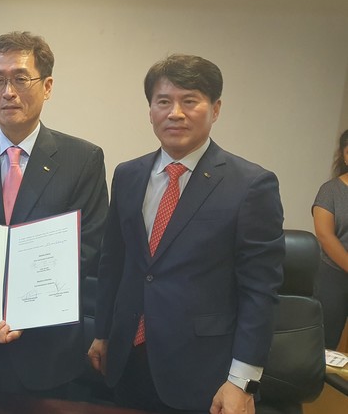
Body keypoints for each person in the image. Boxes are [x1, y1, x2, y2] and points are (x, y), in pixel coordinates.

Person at [88, 54, 284, 413]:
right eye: (163, 101)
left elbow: (259, 291)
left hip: (202, 370)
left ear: (215, 109)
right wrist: (102, 333)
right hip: (127, 359)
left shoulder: (251, 185)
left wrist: (242, 381)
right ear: (150, 111)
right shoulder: (127, 175)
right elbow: (113, 263)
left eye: (189, 101)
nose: (175, 113)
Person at [0, 31, 109, 398]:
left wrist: (22, 311)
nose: (8, 92)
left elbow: (86, 249)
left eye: (20, 79)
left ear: (47, 86)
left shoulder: (82, 159)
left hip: (45, 354)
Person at [312, 129, 348, 349]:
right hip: (333, 276)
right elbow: (325, 236)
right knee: (325, 343)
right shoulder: (330, 191)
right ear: (344, 156)